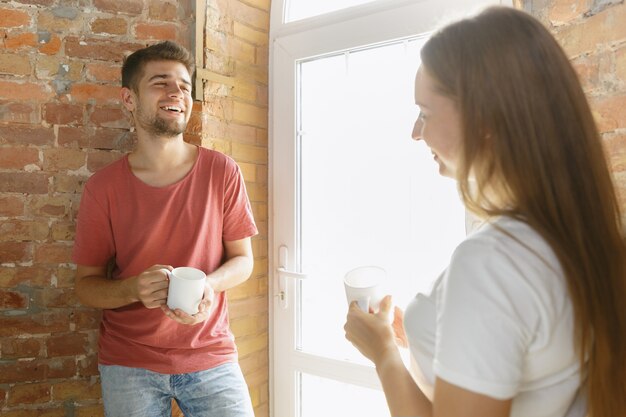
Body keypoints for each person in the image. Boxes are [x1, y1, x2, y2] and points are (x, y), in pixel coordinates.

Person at [344, 6, 626, 417]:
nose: (415, 132)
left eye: (424, 112)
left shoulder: (490, 262)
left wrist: (384, 353)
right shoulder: (582, 238)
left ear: (485, 120)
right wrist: (433, 333)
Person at [73, 41, 258, 417]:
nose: (177, 93)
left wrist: (210, 284)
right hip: (129, 362)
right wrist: (132, 288)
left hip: (212, 354)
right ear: (129, 98)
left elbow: (243, 260)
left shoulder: (222, 171)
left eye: (185, 86)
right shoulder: (103, 187)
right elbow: (86, 285)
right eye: (161, 82)